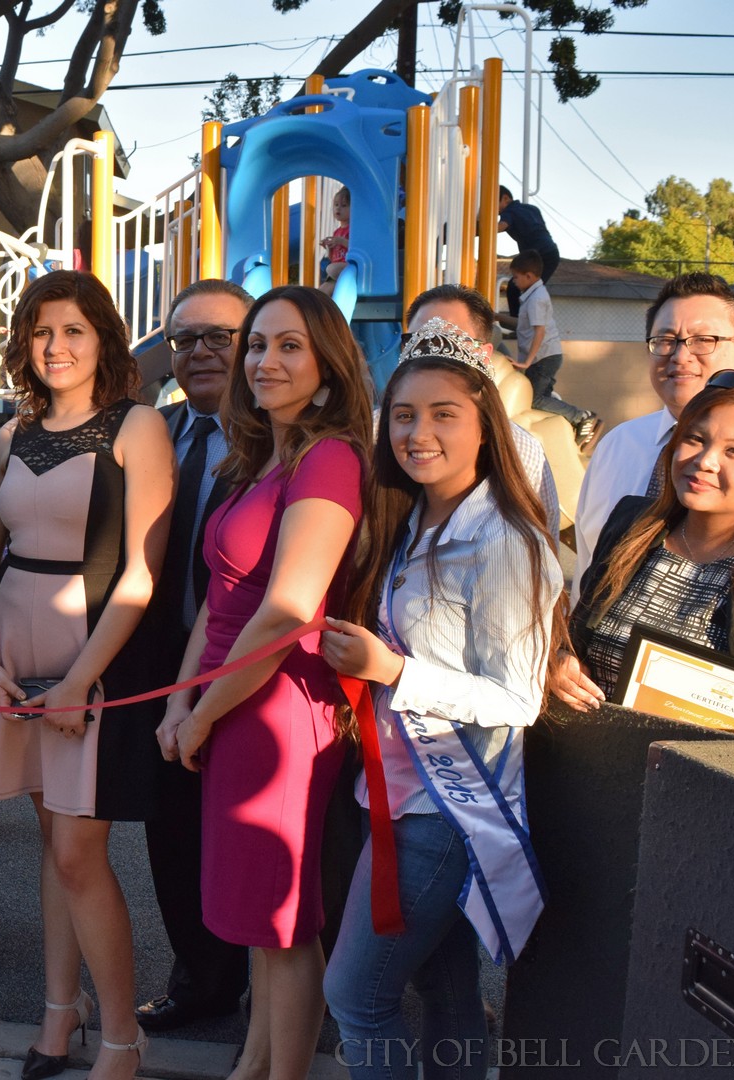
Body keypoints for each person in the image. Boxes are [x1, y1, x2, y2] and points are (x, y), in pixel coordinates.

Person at [319, 319, 563, 1080]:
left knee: (355, 993)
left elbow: (517, 697)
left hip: (448, 806)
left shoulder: (506, 541)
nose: (418, 432)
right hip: (392, 790)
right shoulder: (407, 518)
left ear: (485, 427)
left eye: (443, 414)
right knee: (444, 984)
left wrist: (392, 669)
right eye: (403, 415)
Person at [158, 285, 371, 1080]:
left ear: (327, 364)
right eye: (257, 345)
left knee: (284, 922)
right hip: (229, 701)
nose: (264, 361)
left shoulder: (331, 458)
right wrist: (183, 702)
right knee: (257, 917)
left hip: (277, 709)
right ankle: (251, 1064)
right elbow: (217, 601)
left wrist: (203, 713)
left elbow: (285, 613)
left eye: (289, 346)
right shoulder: (261, 458)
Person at [0, 269, 174, 1080]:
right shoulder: (7, 437)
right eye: (41, 330)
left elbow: (141, 574)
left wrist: (82, 680)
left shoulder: (138, 428)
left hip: (90, 663)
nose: (55, 346)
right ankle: (61, 1014)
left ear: (103, 341)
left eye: (73, 331)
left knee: (80, 854)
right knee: (54, 845)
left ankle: (122, 1037)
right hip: (17, 662)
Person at [135, 279, 251, 1034]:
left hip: (248, 673)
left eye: (221, 337)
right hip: (155, 672)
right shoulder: (156, 432)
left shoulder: (281, 445)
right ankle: (200, 979)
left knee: (247, 841)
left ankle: (275, 993)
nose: (200, 352)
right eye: (184, 339)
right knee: (170, 838)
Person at [559, 370, 734, 713]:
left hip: (708, 765)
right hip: (592, 756)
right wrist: (559, 661)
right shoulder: (632, 523)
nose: (705, 461)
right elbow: (576, 638)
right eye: (695, 439)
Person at [574, 273, 734, 600]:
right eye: (665, 340)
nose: (680, 356)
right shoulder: (617, 446)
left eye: (703, 340)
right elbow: (588, 565)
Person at [405, 284, 561, 537]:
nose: (430, 357)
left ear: (483, 354)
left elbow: (542, 552)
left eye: (449, 343)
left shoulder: (521, 451)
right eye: (417, 343)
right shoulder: (374, 434)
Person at [508, 250, 596, 446]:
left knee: (534, 399)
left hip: (543, 357)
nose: (514, 281)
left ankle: (581, 417)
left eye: (516, 277)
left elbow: (539, 332)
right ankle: (568, 416)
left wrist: (527, 362)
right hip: (546, 356)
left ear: (529, 276)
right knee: (542, 397)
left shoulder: (537, 298)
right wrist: (497, 318)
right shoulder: (532, 296)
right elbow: (522, 325)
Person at [496, 185, 559, 316]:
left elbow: (501, 226)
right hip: (552, 253)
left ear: (506, 198)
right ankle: (530, 323)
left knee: (515, 288)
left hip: (535, 257)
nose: (494, 210)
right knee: (534, 289)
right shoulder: (532, 209)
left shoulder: (509, 212)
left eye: (495, 203)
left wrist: (480, 226)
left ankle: (518, 324)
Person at [319, 186, 351, 293]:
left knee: (331, 269)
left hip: (348, 268)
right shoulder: (337, 232)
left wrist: (340, 241)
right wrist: (328, 248)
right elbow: (334, 258)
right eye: (336, 205)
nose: (338, 208)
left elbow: (355, 248)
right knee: (320, 292)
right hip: (336, 271)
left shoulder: (353, 229)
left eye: (344, 205)